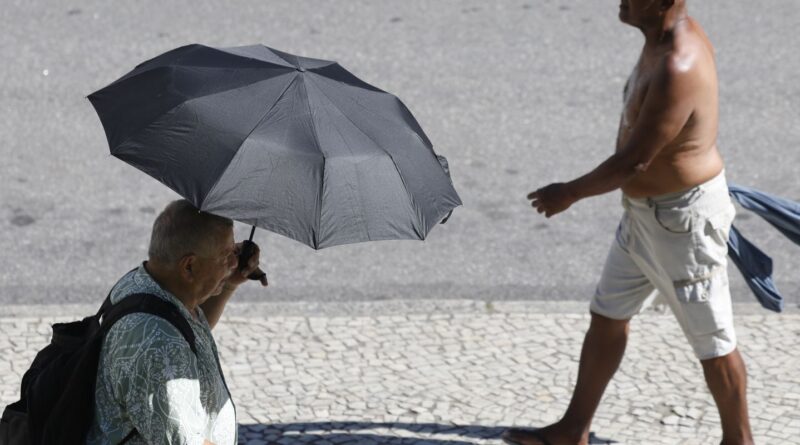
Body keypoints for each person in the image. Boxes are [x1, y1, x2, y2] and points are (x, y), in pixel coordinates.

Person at [503, 1, 754, 444]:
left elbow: (634, 161)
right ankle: (573, 431)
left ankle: (740, 441)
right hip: (644, 216)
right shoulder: (659, 39)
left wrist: (568, 192)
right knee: (607, 314)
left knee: (713, 342)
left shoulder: (679, 63)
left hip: (682, 223)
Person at [86, 199, 267, 445]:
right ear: (189, 266)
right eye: (226, 256)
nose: (234, 263)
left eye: (234, 253)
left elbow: (188, 332)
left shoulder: (147, 283)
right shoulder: (158, 346)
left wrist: (228, 282)